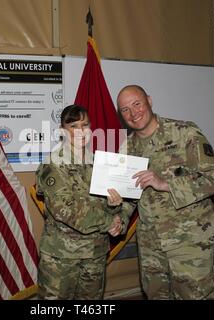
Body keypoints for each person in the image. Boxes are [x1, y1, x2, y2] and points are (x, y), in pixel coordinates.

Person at [116, 85, 214, 300]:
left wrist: (166, 184)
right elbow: (130, 196)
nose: (133, 113)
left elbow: (213, 180)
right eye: (125, 109)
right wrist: (120, 216)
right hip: (150, 243)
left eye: (137, 104)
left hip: (190, 240)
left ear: (149, 101)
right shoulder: (127, 149)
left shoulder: (185, 132)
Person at [35, 104, 135, 299]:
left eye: (85, 125)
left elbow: (109, 204)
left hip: (95, 253)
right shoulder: (53, 165)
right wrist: (108, 222)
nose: (81, 131)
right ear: (63, 131)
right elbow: (65, 210)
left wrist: (116, 210)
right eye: (74, 126)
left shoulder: (100, 163)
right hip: (62, 257)